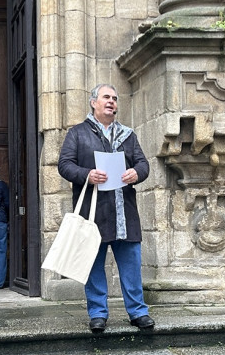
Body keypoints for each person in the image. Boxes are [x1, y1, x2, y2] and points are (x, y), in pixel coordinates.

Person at [57, 83, 153, 333]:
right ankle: (98, 313)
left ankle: (138, 312)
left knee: (131, 265)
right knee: (93, 264)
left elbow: (143, 164)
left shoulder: (128, 135)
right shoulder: (77, 133)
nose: (111, 101)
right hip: (94, 212)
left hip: (125, 213)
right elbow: (64, 165)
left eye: (114, 98)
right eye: (106, 97)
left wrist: (136, 173)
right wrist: (87, 174)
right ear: (93, 102)